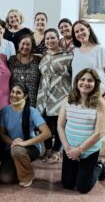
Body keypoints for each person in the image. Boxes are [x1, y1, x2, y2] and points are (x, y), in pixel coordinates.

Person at [57, 68, 105, 194]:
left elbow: (99, 132)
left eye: (90, 80)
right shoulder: (68, 99)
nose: (85, 83)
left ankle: (100, 166)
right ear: (77, 81)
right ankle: (81, 168)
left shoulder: (100, 103)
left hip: (89, 150)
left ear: (95, 83)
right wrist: (67, 148)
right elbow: (60, 125)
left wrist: (79, 150)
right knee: (67, 184)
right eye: (82, 79)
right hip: (70, 150)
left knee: (83, 187)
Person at [0, 82, 51, 187]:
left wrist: (24, 143)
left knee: (17, 150)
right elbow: (2, 134)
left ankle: (27, 176)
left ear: (25, 96)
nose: (14, 95)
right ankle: (21, 166)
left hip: (30, 148)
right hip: (12, 147)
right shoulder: (4, 111)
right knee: (5, 178)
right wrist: (13, 142)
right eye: (12, 92)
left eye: (18, 93)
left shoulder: (32, 111)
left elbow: (47, 133)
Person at [36, 28, 73, 164]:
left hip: (60, 94)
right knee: (44, 124)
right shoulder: (44, 56)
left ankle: (57, 150)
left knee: (59, 124)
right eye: (47, 39)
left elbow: (73, 75)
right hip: (44, 95)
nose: (50, 40)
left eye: (53, 37)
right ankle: (48, 148)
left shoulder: (68, 55)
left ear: (58, 38)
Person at [71, 20, 105, 106]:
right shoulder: (74, 51)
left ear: (88, 30)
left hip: (97, 96)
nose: (80, 33)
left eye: (82, 29)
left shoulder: (99, 49)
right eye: (76, 32)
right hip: (79, 96)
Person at [8, 34, 41, 107]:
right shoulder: (12, 60)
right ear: (18, 44)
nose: (25, 46)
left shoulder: (38, 60)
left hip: (32, 101)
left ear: (32, 46)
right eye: (23, 44)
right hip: (15, 100)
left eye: (28, 44)